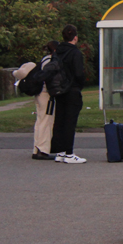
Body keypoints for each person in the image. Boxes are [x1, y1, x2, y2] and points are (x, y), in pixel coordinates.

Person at [50, 24, 86, 164]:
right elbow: (78, 73)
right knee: (70, 122)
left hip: (59, 90)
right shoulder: (75, 53)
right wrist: (80, 84)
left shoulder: (57, 52)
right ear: (75, 37)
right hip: (72, 89)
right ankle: (69, 153)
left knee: (60, 120)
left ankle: (60, 152)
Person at [28, 41, 58, 159]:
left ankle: (36, 148)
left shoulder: (44, 59)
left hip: (40, 93)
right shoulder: (51, 61)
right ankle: (43, 150)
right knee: (47, 121)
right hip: (46, 93)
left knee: (40, 120)